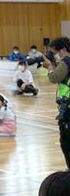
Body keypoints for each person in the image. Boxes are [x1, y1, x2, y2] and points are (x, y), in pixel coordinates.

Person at [44, 37, 70, 169]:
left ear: (63, 49)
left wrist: (49, 67)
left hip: (68, 108)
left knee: (66, 141)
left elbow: (54, 77)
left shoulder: (66, 61)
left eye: (56, 52)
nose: (56, 55)